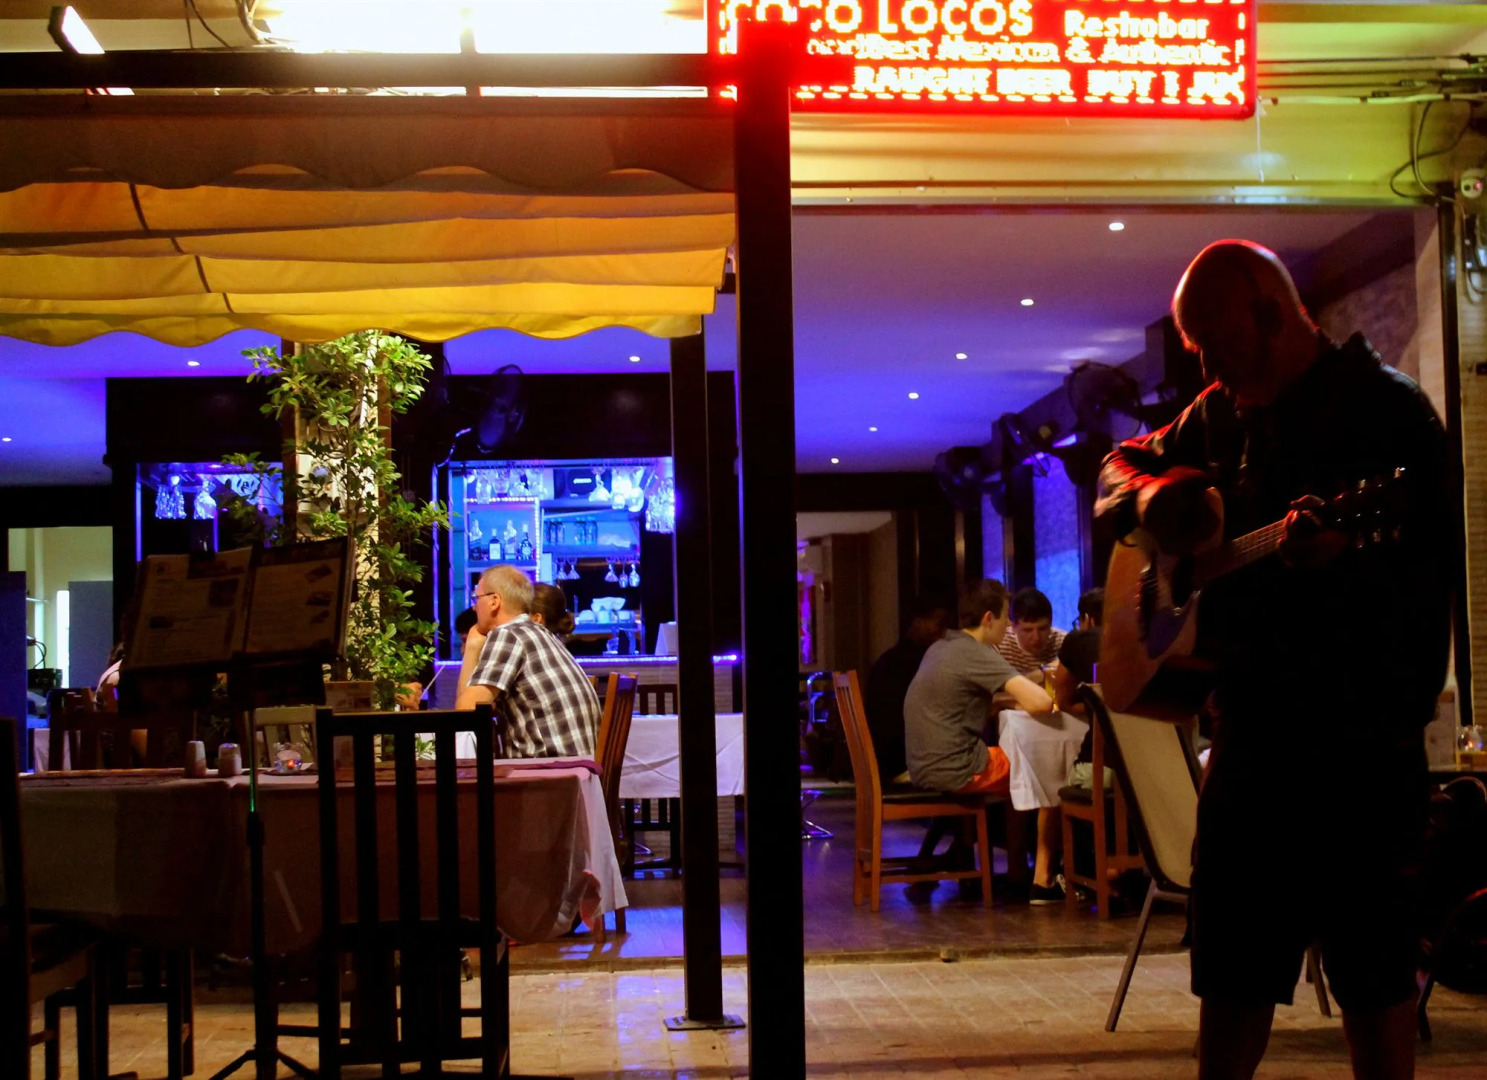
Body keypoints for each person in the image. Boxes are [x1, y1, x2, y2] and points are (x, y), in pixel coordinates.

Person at [1094, 240, 1450, 1080]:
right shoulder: (1219, 411)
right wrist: (1156, 502)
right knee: (1232, 982)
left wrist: (1346, 562)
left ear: (1273, 315)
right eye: (1198, 354)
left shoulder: (1387, 413)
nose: (1208, 368)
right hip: (1251, 740)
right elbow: (1116, 468)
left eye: (1216, 347)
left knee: (1373, 979)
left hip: (1362, 746)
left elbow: (1427, 572)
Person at [904, 578, 1067, 903]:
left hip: (924, 764)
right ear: (988, 619)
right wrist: (1046, 676)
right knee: (1046, 767)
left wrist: (1007, 696)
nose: (1009, 624)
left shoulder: (943, 645)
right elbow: (1042, 703)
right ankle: (1043, 879)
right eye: (1006, 616)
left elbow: (989, 701)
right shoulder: (977, 653)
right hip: (958, 768)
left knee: (1023, 764)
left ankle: (1020, 870)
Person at [455, 565, 600, 758]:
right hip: (577, 768)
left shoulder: (508, 635)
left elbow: (465, 714)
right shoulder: (536, 632)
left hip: (554, 773)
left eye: (476, 598)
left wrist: (473, 645)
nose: (474, 607)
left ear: (494, 601)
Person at [863, 596, 950, 782]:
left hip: (883, 760)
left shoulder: (887, 660)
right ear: (918, 623)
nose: (943, 632)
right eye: (938, 623)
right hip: (903, 763)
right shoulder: (920, 663)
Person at [998, 587, 1066, 677]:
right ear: (1013, 627)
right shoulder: (1000, 644)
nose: (1036, 637)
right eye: (1028, 630)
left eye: (1042, 629)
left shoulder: (1063, 642)